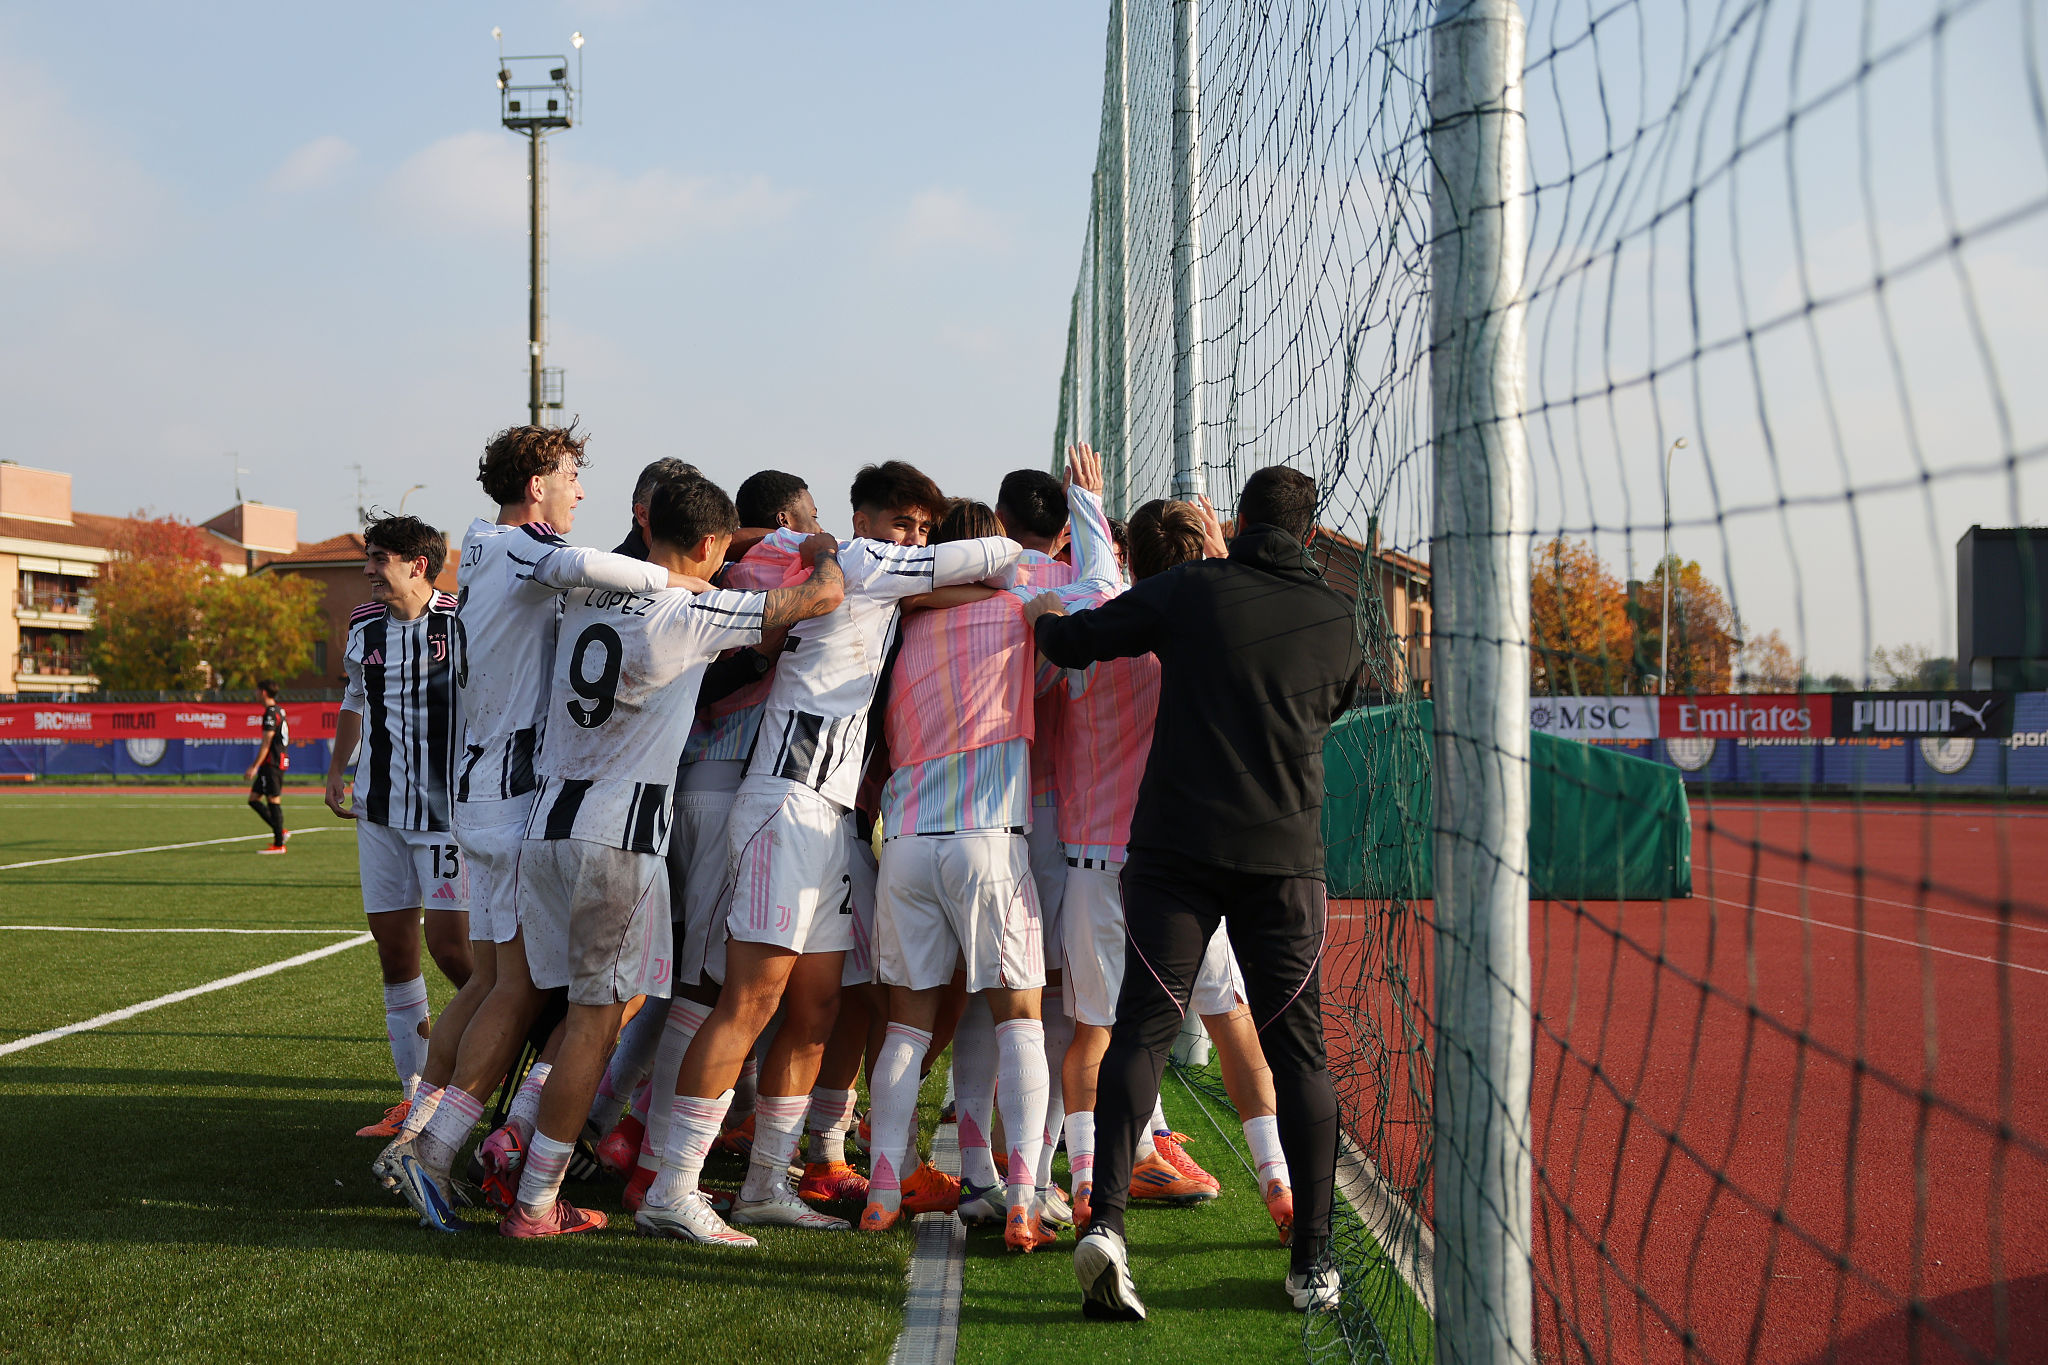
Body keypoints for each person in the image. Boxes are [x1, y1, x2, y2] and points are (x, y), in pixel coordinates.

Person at [636, 461, 1022, 1249]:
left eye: (923, 528)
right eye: (903, 523)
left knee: (816, 1007)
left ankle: (766, 1184)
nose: (914, 538)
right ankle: (670, 1185)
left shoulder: (871, 574)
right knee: (747, 1000)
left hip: (829, 816)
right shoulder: (864, 560)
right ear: (866, 519)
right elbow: (987, 558)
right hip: (784, 799)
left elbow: (948, 586)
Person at [463, 472, 844, 1238]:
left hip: (546, 822)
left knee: (575, 1009)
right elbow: (820, 598)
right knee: (597, 1022)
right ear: (709, 544)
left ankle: (498, 1149)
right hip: (618, 836)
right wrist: (823, 548)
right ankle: (538, 1201)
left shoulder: (585, 590)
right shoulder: (692, 608)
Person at [1026, 465, 1363, 1319]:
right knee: (1299, 1051)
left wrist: (1044, 615)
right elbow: (1334, 703)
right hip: (1285, 857)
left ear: (1236, 519)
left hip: (1176, 851)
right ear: (1313, 537)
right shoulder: (1336, 616)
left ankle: (1104, 1223)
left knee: (1139, 1027)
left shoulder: (1191, 589)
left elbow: (1073, 644)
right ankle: (1311, 1260)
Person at [375, 425, 710, 1218]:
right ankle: (482, 1137)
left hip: (479, 784)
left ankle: (425, 1130)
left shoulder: (482, 544)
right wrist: (680, 582)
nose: (578, 492)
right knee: (576, 990)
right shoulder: (524, 547)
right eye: (569, 476)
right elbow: (583, 565)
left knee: (499, 983)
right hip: (519, 789)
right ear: (536, 485)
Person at [860, 448, 1118, 1252]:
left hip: (904, 843)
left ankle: (880, 1189)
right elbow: (1103, 592)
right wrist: (1089, 503)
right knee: (1021, 1019)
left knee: (906, 1029)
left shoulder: (901, 622)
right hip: (990, 843)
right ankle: (1024, 1196)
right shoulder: (1015, 604)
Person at [1048, 495, 1298, 1241]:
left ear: (1134, 561)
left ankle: (1091, 1186)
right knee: (1231, 1019)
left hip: (1094, 862)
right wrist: (1219, 541)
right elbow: (1219, 585)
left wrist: (1090, 515)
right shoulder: (1206, 641)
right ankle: (1277, 1175)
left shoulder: (1099, 622)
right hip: (1184, 863)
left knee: (1096, 1031)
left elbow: (1094, 587)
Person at [326, 515, 474, 1138]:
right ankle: (414, 1100)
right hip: (379, 812)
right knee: (394, 952)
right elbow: (355, 700)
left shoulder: (465, 621)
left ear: (418, 564)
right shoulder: (364, 627)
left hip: (446, 818)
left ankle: (514, 1066)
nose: (367, 570)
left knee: (455, 954)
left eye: (378, 559)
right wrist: (338, 770)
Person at [244, 679, 289, 855]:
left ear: (263, 692)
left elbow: (267, 742)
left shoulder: (271, 713)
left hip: (273, 762)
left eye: (256, 690)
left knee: (273, 800)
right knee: (254, 799)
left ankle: (279, 844)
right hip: (273, 762)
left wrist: (254, 766)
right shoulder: (278, 710)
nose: (255, 693)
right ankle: (280, 831)